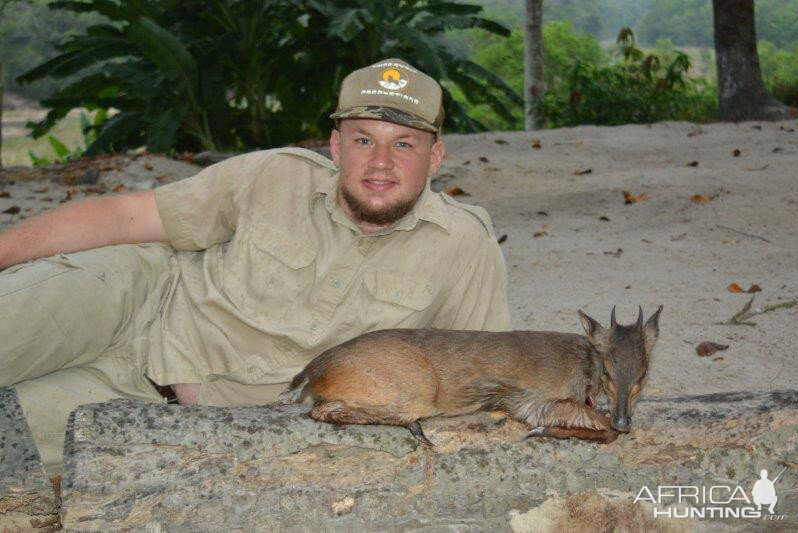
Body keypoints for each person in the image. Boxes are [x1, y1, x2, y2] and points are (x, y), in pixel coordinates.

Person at [0, 58, 510, 473]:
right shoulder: (275, 175)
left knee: (9, 446)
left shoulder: (465, 247)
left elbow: (479, 388)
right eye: (362, 140)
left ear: (435, 156)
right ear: (336, 146)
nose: (380, 163)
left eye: (403, 144)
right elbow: (127, 216)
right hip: (132, 300)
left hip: (157, 412)